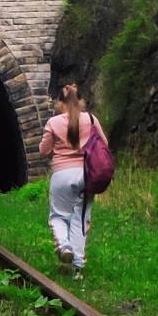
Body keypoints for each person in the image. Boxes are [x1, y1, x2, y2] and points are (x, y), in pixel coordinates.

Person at [39, 82, 98, 275]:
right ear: (81, 101)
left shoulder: (53, 123)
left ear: (59, 103)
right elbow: (103, 145)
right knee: (80, 220)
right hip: (86, 175)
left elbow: (43, 151)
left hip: (61, 176)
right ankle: (78, 268)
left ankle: (64, 247)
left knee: (58, 216)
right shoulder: (90, 119)